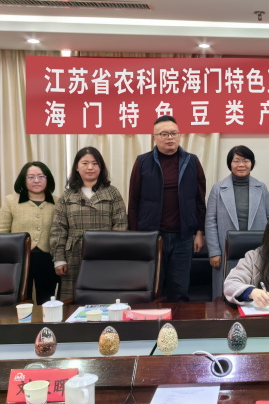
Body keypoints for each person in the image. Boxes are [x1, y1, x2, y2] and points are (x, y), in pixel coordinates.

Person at [128, 115, 207, 302]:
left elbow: (199, 200)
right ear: (154, 138)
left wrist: (199, 232)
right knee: (152, 289)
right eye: (164, 134)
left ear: (179, 135)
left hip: (183, 237)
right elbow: (134, 202)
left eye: (173, 133)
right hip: (153, 236)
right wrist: (136, 236)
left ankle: (178, 322)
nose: (169, 138)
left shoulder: (192, 162)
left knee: (180, 290)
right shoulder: (142, 162)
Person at [50, 147, 127, 302]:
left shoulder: (112, 192)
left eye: (95, 163)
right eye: (85, 163)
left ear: (101, 167)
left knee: (104, 298)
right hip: (73, 255)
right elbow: (58, 228)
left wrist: (113, 254)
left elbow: (120, 225)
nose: (90, 167)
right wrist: (59, 259)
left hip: (104, 253)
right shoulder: (68, 195)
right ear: (77, 167)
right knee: (73, 302)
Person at [205, 145, 269, 300]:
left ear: (252, 163)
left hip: (257, 248)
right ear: (230, 163)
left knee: (256, 292)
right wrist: (214, 251)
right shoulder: (218, 188)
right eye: (236, 161)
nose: (241, 164)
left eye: (246, 160)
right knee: (225, 293)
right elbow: (210, 221)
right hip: (227, 250)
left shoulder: (261, 187)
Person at [0, 162, 59, 304]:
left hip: (47, 259)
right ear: (23, 180)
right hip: (18, 259)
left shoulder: (57, 202)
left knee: (46, 300)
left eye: (41, 176)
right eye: (31, 177)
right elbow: (2, 231)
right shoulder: (11, 201)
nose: (36, 180)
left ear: (48, 179)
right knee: (20, 301)